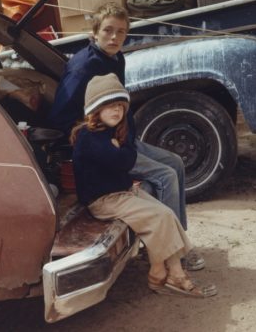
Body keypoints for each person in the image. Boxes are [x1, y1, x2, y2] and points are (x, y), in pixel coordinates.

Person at [49, 2, 205, 271]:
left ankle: (178, 238)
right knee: (165, 175)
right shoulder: (83, 67)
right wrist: (94, 137)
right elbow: (60, 117)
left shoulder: (115, 58)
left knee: (175, 163)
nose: (114, 37)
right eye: (108, 30)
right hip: (105, 147)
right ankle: (174, 255)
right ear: (94, 33)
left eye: (121, 32)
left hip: (124, 139)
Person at [71, 73, 215, 298]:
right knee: (160, 217)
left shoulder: (110, 132)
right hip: (104, 201)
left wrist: (121, 147)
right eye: (109, 106)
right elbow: (125, 161)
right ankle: (171, 275)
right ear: (95, 110)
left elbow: (125, 156)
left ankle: (162, 270)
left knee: (166, 213)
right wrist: (122, 149)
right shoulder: (89, 137)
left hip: (121, 192)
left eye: (120, 106)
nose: (116, 111)